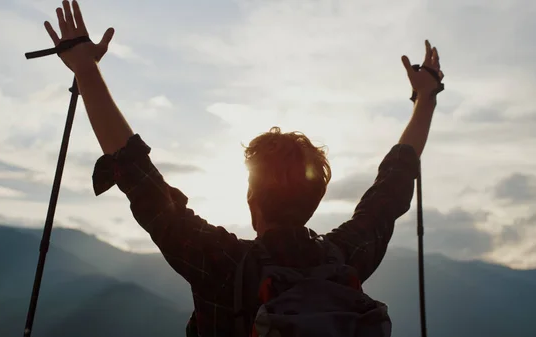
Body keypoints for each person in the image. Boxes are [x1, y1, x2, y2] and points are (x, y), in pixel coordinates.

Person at [44, 1, 444, 336]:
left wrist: (85, 68)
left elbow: (139, 177)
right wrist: (425, 98)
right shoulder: (344, 259)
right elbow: (392, 185)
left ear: (252, 199)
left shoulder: (220, 264)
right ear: (315, 197)